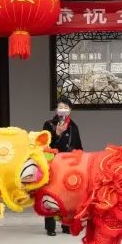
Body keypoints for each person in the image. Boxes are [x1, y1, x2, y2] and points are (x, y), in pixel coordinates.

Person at [41, 97, 83, 236]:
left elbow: (78, 147)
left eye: (66, 107)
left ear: (70, 109)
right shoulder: (48, 124)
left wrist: (80, 161)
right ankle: (50, 227)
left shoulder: (74, 126)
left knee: (68, 195)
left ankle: (66, 225)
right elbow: (44, 145)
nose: (63, 109)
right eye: (60, 107)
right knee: (51, 193)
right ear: (56, 110)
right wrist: (57, 133)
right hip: (53, 163)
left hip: (69, 164)